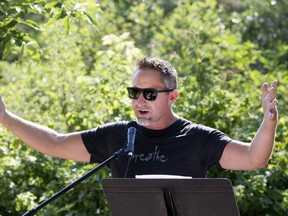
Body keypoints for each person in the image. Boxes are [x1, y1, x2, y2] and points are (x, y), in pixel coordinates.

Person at [0, 57, 278, 178]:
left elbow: (254, 158)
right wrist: (6, 118)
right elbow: (55, 143)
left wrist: (268, 123)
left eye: (149, 94)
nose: (139, 101)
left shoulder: (198, 139)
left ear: (173, 97)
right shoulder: (118, 136)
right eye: (135, 93)